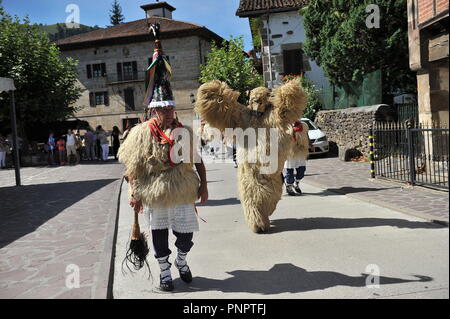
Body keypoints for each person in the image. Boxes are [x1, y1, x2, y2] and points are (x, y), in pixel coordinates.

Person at [118, 25, 208, 292]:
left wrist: (203, 185)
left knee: (185, 235)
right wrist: (134, 193)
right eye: (162, 109)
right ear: (154, 110)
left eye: (170, 108)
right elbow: (132, 167)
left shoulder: (184, 131)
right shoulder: (141, 133)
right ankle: (165, 273)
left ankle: (181, 261)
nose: (168, 112)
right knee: (159, 235)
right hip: (155, 192)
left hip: (181, 189)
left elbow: (197, 160)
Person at [284, 120, 310, 196]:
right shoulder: (285, 125)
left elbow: (307, 136)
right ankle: (289, 186)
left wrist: (310, 145)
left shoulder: (304, 125)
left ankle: (296, 183)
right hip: (290, 152)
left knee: (301, 171)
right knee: (290, 171)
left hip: (301, 151)